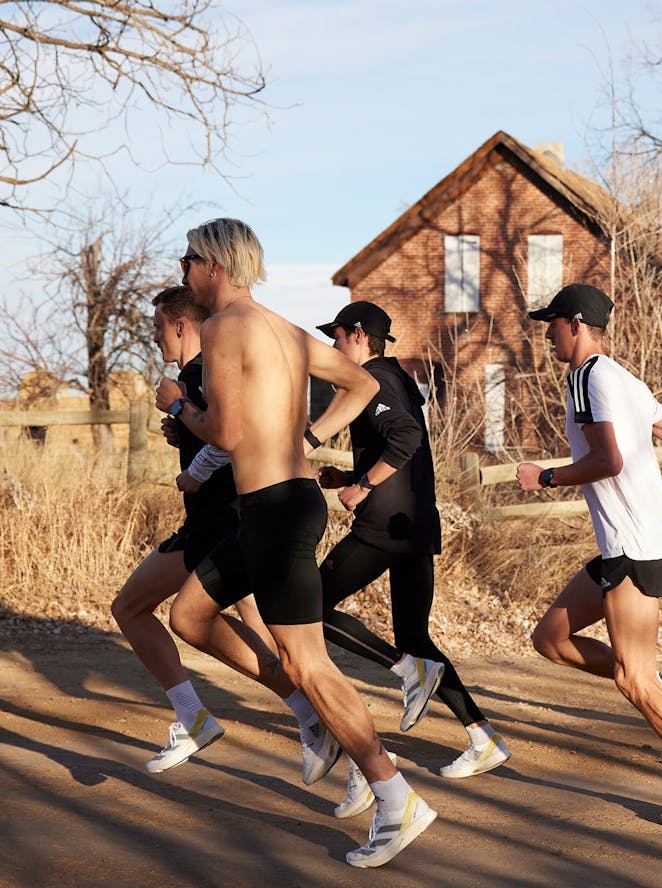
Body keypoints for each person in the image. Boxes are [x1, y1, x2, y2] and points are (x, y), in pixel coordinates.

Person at [154, 218, 436, 868]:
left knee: (309, 662)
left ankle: (394, 794)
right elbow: (360, 385)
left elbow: (221, 431)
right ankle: (323, 727)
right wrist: (309, 438)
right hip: (273, 509)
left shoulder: (225, 326)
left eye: (188, 259)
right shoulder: (281, 326)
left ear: (215, 264)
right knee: (190, 614)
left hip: (277, 513)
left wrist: (176, 404)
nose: (182, 269)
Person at [516, 283, 662, 830]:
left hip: (632, 550)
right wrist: (660, 507)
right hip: (628, 544)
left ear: (575, 323)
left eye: (551, 323)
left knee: (632, 679)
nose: (547, 334)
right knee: (550, 639)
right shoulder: (623, 378)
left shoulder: (586, 376)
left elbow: (608, 459)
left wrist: (546, 476)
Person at [113, 285, 325, 776]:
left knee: (131, 607)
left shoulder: (194, 374)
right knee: (279, 645)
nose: (154, 335)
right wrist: (183, 434)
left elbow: (233, 436)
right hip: (235, 518)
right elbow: (218, 430)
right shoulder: (202, 372)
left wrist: (186, 441)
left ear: (181, 325)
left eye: (158, 325)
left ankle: (196, 718)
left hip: (218, 521)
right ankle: (326, 730)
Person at [312, 301, 510, 818]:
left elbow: (405, 437)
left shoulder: (374, 379)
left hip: (385, 529)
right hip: (416, 525)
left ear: (358, 335)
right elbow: (397, 443)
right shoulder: (393, 376)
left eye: (335, 337)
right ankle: (481, 735)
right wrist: (348, 476)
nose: (333, 348)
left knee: (307, 606)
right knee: (416, 636)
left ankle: (397, 686)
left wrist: (362, 486)